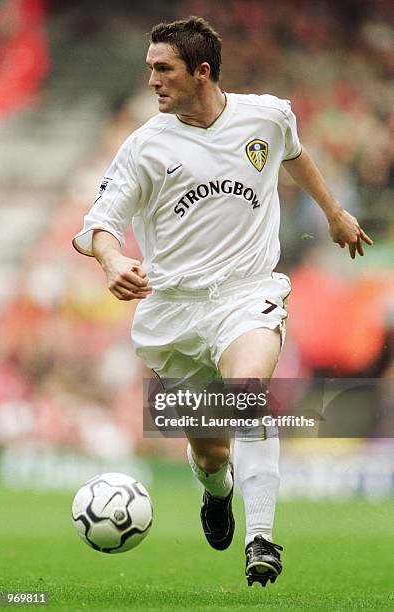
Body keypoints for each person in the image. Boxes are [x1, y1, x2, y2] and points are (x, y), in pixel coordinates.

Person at [72, 16, 373, 587]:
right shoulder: (144, 147)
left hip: (246, 292)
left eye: (164, 69)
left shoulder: (267, 115)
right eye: (149, 69)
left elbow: (295, 153)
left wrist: (335, 213)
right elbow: (98, 226)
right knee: (211, 453)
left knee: (247, 396)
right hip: (175, 312)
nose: (152, 81)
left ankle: (262, 539)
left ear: (201, 71)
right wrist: (112, 261)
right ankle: (219, 491)